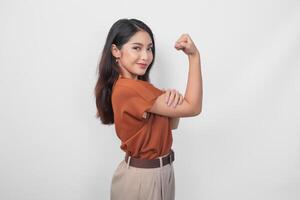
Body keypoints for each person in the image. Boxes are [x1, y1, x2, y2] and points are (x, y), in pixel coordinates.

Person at [94, 18, 202, 200]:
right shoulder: (130, 89)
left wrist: (172, 102)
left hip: (159, 173)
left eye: (149, 48)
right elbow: (193, 108)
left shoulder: (139, 88)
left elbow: (171, 125)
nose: (145, 56)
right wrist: (194, 56)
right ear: (116, 51)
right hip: (143, 178)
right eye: (136, 48)